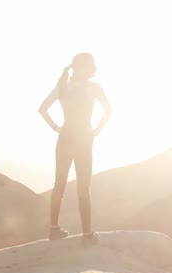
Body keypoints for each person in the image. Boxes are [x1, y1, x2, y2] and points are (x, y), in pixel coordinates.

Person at [38, 53, 112, 246]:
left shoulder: (63, 87)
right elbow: (108, 111)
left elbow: (42, 109)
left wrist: (56, 128)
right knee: (83, 188)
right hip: (84, 140)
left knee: (59, 185)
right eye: (91, 66)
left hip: (64, 138)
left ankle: (54, 230)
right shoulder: (95, 88)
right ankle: (87, 235)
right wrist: (97, 130)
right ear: (82, 68)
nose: (94, 69)